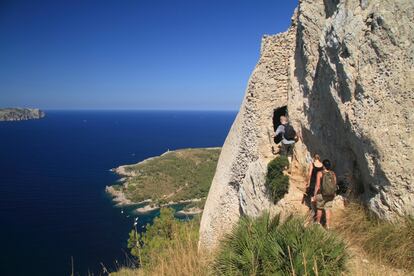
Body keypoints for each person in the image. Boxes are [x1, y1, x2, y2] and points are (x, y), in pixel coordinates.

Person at [312, 159, 337, 229]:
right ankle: (328, 226)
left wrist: (314, 195)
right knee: (328, 209)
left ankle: (317, 223)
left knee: (319, 208)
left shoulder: (320, 173)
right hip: (330, 195)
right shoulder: (333, 173)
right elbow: (335, 184)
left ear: (323, 166)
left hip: (321, 194)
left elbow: (317, 185)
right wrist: (334, 193)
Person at [302, 154, 323, 218]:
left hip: (313, 182)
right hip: (320, 183)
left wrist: (308, 182)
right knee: (318, 196)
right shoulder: (322, 165)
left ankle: (313, 211)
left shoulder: (312, 164)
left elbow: (310, 174)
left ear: (314, 158)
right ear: (319, 158)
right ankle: (318, 210)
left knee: (312, 196)